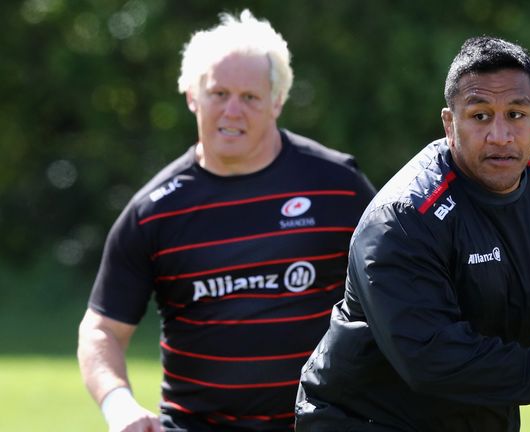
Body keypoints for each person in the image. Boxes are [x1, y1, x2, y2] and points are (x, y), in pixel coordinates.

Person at [295, 36, 530, 432]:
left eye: (516, 114)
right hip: (364, 421)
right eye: (481, 116)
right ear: (449, 123)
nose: (500, 135)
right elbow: (432, 361)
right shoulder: (402, 219)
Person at [77, 10, 376, 432]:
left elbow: (401, 286)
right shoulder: (154, 211)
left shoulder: (339, 188)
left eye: (250, 97)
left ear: (277, 101)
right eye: (218, 93)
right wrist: (119, 406)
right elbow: (101, 329)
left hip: (319, 425)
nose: (232, 111)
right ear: (191, 96)